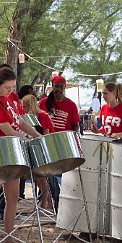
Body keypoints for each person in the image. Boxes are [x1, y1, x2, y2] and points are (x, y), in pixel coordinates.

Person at [0, 67, 42, 243]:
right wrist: (26, 141)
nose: (11, 91)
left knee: (13, 195)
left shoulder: (13, 97)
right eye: (7, 88)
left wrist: (38, 136)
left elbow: (20, 121)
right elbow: (6, 129)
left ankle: (8, 235)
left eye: (13, 87)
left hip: (13, 150)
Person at [39, 75, 80, 211]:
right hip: (48, 143)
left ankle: (64, 202)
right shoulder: (44, 103)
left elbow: (75, 125)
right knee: (48, 173)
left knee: (65, 174)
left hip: (63, 144)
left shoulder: (71, 105)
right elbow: (37, 121)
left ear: (65, 88)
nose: (58, 89)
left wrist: (74, 138)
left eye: (61, 87)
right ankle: (55, 200)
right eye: (56, 86)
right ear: (53, 86)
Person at [21, 94, 55, 209]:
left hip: (40, 148)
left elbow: (46, 133)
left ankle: (44, 203)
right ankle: (48, 199)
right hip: (30, 148)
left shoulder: (42, 115)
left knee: (42, 177)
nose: (23, 109)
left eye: (25, 106)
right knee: (35, 178)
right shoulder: (26, 116)